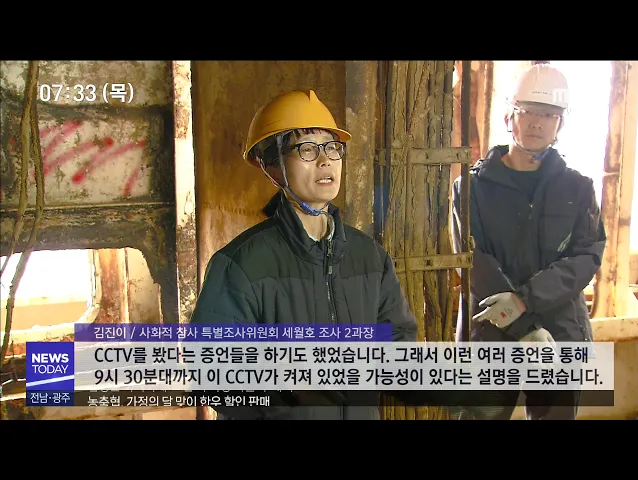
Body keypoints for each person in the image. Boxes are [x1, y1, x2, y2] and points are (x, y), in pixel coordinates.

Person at [189, 89, 426, 420]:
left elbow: (398, 341)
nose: (325, 160)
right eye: (307, 149)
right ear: (273, 166)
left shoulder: (370, 257)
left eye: (332, 147)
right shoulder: (241, 265)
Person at [450, 64, 607, 420]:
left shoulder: (579, 189)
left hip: (559, 334)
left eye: (549, 115)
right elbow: (473, 260)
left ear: (560, 124)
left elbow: (586, 256)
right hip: (490, 334)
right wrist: (523, 327)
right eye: (529, 111)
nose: (538, 123)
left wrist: (524, 300)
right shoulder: (471, 189)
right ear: (510, 116)